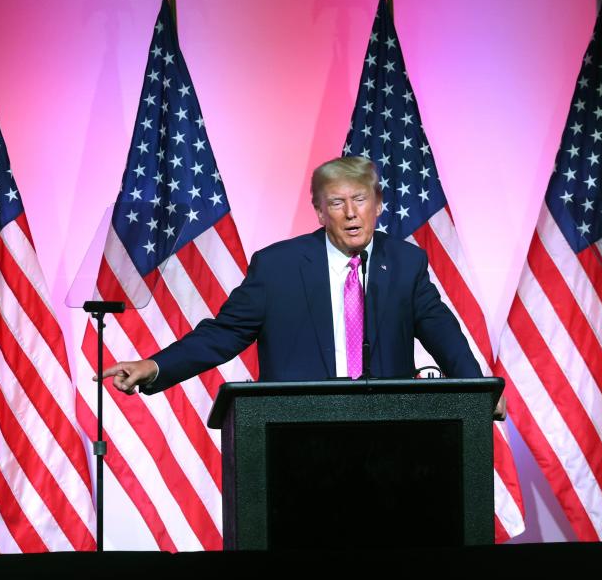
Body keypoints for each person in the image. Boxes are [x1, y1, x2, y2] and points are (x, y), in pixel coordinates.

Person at [100, 156, 505, 418]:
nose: (350, 213)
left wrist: (479, 394)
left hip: (388, 426)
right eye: (336, 202)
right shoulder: (278, 267)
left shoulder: (404, 262)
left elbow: (444, 335)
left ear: (378, 204)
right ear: (319, 211)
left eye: (360, 199)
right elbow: (224, 334)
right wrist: (154, 367)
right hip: (300, 429)